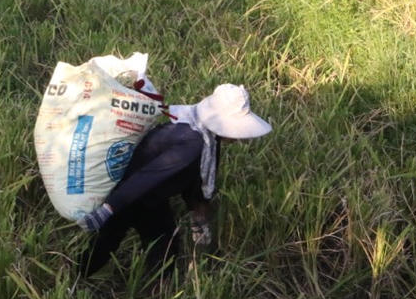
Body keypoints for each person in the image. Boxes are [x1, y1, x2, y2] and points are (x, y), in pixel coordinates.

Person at [78, 83, 272, 278]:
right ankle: (77, 276)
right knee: (110, 242)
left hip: (152, 196)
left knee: (162, 244)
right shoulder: (192, 142)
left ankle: (148, 286)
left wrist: (197, 213)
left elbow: (193, 176)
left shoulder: (205, 137)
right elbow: (148, 176)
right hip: (131, 193)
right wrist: (109, 208)